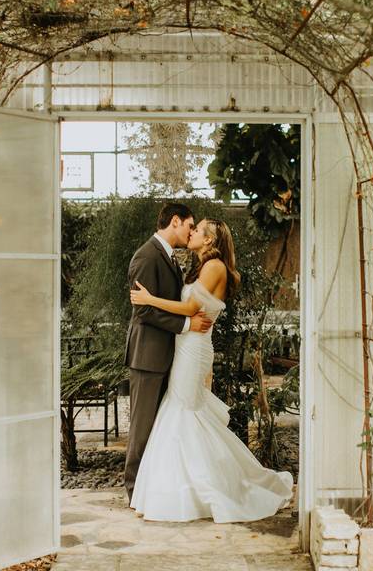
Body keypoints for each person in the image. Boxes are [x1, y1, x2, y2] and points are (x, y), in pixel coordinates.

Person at [127, 217, 294, 522]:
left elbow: (191, 310)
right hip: (187, 346)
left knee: (185, 411)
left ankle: (201, 486)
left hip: (193, 349)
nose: (191, 232)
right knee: (184, 410)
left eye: (197, 229)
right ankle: (187, 482)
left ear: (208, 240)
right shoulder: (203, 265)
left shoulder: (214, 267)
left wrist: (150, 299)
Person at [123, 203, 214, 503]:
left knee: (161, 427)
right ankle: (134, 489)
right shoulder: (147, 256)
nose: (191, 232)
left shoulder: (171, 257)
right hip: (147, 356)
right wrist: (187, 323)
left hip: (167, 356)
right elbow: (144, 310)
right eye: (189, 225)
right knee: (142, 427)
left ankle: (152, 488)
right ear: (175, 221)